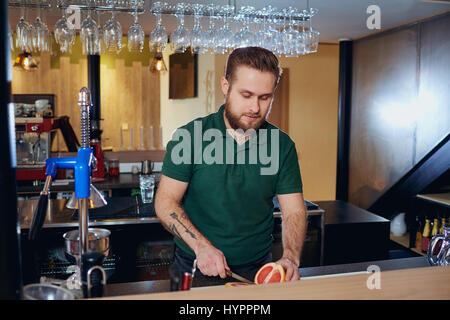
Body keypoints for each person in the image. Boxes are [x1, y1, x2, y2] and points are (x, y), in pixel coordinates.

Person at [155, 47, 307, 283]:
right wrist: (201, 246)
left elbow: (294, 211)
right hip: (196, 264)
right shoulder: (189, 137)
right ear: (225, 86)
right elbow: (165, 202)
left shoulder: (282, 145)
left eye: (265, 97)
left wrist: (291, 257)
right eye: (246, 95)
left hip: (259, 268)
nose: (255, 108)